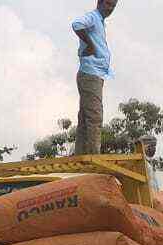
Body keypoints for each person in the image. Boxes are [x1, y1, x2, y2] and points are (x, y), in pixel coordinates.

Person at [72, 0, 118, 156]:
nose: (110, 8)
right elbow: (77, 24)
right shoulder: (93, 17)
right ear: (99, 2)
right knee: (95, 116)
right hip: (91, 73)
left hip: (94, 74)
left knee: (85, 118)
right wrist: (90, 45)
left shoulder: (100, 21)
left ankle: (81, 155)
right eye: (108, 4)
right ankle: (93, 157)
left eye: (113, 6)